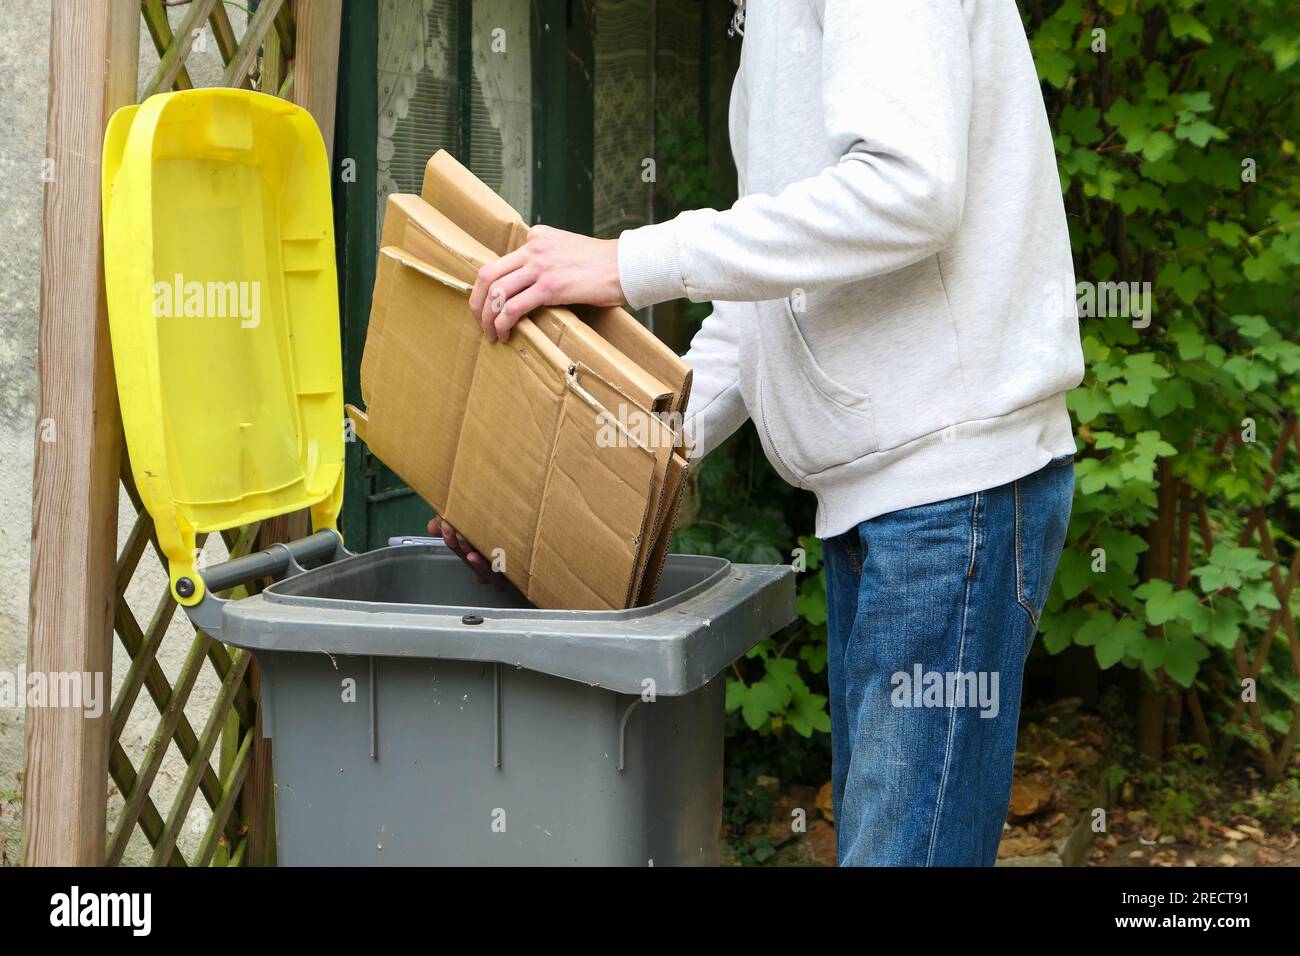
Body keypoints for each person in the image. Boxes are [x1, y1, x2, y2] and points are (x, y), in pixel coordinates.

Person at [432, 0, 1083, 866]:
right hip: (891, 500)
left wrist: (630, 260)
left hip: (948, 494)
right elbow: (761, 310)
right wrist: (558, 481)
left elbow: (911, 186)